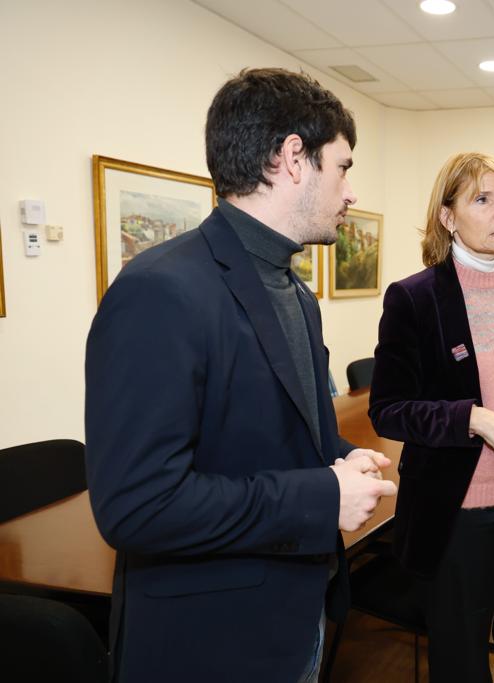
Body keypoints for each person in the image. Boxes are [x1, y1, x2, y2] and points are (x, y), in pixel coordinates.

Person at [85, 68, 397, 683]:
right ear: (292, 158)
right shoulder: (159, 290)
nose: (351, 192)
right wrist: (322, 494)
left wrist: (339, 456)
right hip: (209, 644)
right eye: (343, 167)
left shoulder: (296, 292)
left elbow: (272, 431)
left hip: (294, 619)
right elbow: (137, 506)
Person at [369, 152, 494, 682]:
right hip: (455, 514)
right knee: (460, 662)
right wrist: (472, 419)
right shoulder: (415, 297)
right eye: (483, 199)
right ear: (448, 217)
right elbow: (388, 410)